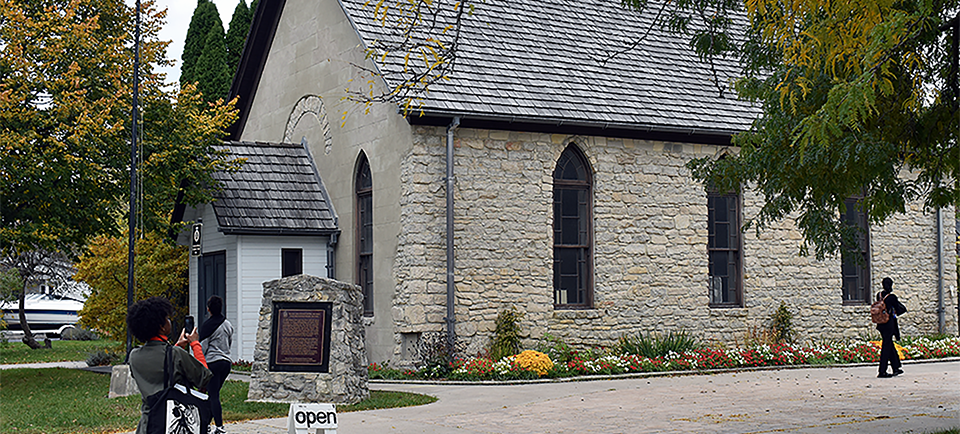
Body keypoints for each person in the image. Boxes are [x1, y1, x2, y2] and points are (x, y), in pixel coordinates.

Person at [127, 296, 212, 434]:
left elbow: (160, 366)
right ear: (161, 327)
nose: (169, 321)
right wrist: (195, 344)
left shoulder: (134, 356)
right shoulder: (175, 354)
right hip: (172, 423)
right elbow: (204, 377)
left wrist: (177, 346)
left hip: (147, 425)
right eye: (167, 318)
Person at [200, 295, 234, 434]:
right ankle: (206, 424)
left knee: (213, 395)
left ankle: (219, 427)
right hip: (226, 363)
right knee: (213, 394)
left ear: (209, 309)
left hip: (212, 362)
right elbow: (230, 341)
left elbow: (203, 348)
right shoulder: (227, 324)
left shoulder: (208, 326)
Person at [876, 277, 907, 378]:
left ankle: (896, 367)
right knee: (886, 346)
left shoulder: (879, 295)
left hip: (881, 324)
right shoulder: (892, 297)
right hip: (889, 324)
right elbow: (898, 309)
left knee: (889, 344)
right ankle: (882, 371)